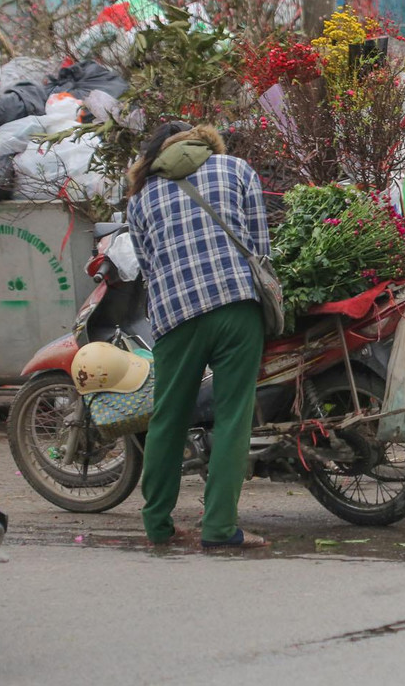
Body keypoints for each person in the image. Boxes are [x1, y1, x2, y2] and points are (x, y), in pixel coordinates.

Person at [127, 122, 270, 549]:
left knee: (167, 419)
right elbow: (261, 249)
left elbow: (148, 269)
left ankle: (157, 525)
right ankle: (220, 529)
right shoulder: (237, 169)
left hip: (175, 316)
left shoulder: (140, 199)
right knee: (232, 418)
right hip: (236, 306)